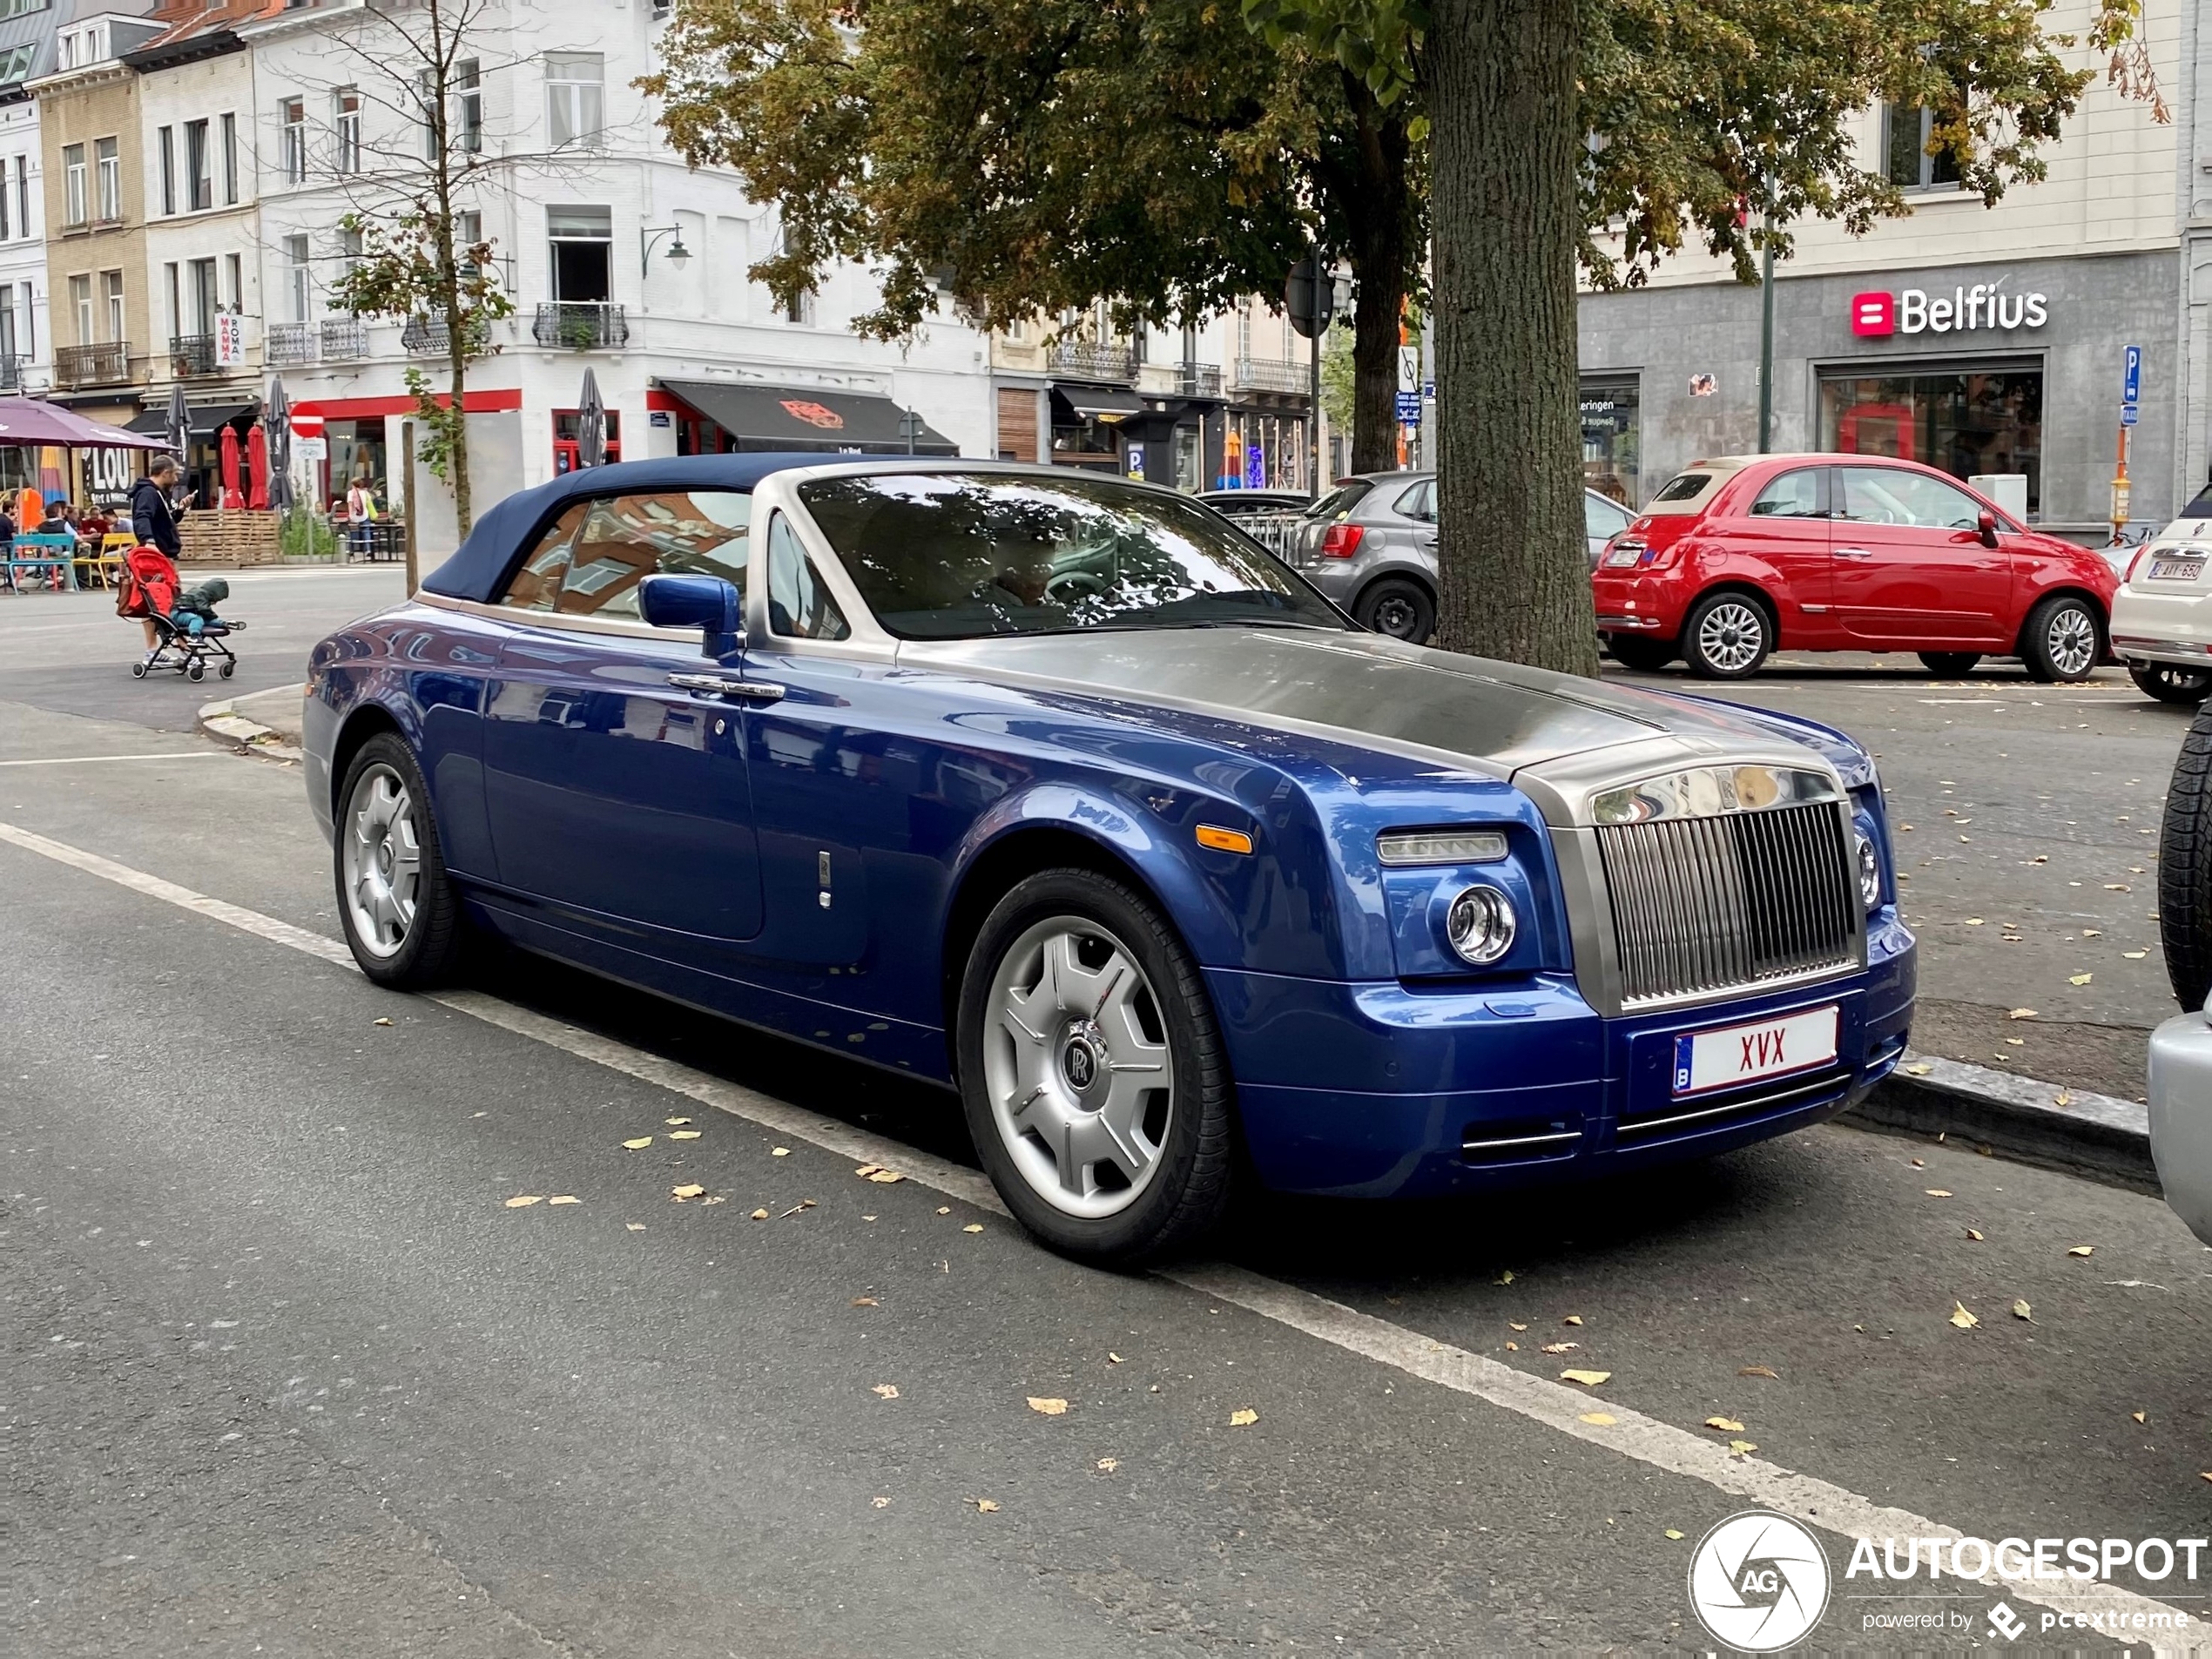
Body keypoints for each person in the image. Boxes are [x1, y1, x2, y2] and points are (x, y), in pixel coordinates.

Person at [129, 456, 185, 657]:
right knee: (167, 600)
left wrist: (180, 511)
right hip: (158, 557)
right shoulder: (148, 493)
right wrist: (149, 542)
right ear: (165, 473)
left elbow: (163, 520)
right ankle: (181, 647)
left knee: (154, 600)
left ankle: (155, 649)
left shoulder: (156, 493)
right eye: (175, 474)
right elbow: (142, 516)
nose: (176, 479)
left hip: (161, 554)